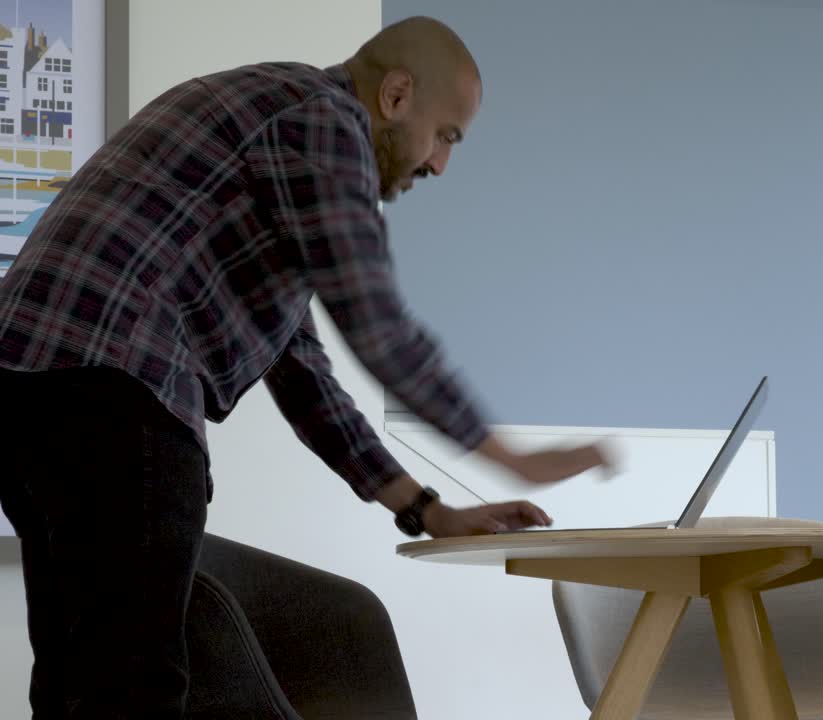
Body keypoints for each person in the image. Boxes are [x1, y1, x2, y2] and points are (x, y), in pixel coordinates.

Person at [0, 16, 611, 718]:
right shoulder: (322, 121)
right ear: (397, 94)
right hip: (115, 392)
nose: (441, 165)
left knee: (75, 685)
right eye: (447, 135)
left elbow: (305, 377)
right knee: (132, 690)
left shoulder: (273, 132)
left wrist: (425, 509)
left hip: (30, 397)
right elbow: (375, 320)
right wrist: (510, 455)